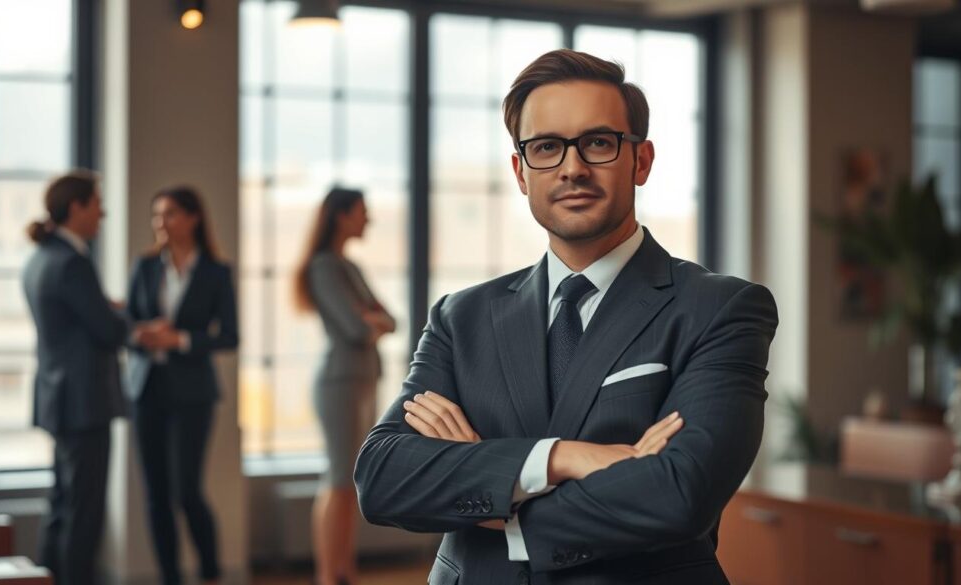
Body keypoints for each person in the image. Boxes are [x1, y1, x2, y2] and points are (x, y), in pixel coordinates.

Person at [354, 49, 778, 585]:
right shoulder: (461, 317)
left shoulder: (720, 308)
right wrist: (562, 459)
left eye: (598, 143)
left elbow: (678, 494)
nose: (572, 167)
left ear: (640, 160)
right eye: (547, 147)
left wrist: (487, 482)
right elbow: (384, 477)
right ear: (521, 171)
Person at [125, 186, 238, 585]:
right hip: (146, 391)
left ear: (193, 218)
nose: (161, 223)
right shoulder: (144, 267)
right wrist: (142, 334)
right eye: (157, 215)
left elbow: (229, 336)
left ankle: (210, 574)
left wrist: (181, 340)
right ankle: (169, 577)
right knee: (155, 496)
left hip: (193, 395)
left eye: (170, 213)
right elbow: (125, 327)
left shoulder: (215, 272)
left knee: (187, 491)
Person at [23, 170, 128, 585]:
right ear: (76, 208)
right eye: (97, 203)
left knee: (62, 505)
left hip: (57, 398)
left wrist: (104, 309)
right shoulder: (74, 262)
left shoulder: (40, 258)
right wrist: (123, 316)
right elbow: (108, 331)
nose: (103, 211)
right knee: (85, 512)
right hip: (84, 401)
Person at [294, 187, 396, 585]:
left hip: (363, 380)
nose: (368, 219)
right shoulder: (324, 267)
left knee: (353, 480)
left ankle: (344, 572)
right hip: (339, 382)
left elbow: (391, 320)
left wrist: (372, 319)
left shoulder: (349, 268)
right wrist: (369, 319)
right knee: (338, 479)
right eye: (362, 212)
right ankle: (327, 574)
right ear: (341, 216)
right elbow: (357, 328)